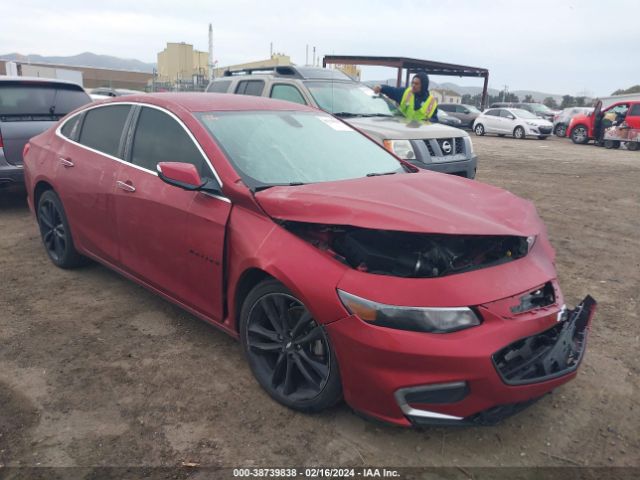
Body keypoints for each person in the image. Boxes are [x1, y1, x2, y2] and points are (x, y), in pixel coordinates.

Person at [373, 72, 438, 122]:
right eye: (412, 83)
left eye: (416, 84)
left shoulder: (432, 102)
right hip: (403, 130)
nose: (413, 85)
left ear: (424, 85)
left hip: (420, 133)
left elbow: (434, 120)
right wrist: (381, 87)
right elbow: (392, 91)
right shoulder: (405, 92)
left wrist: (426, 122)